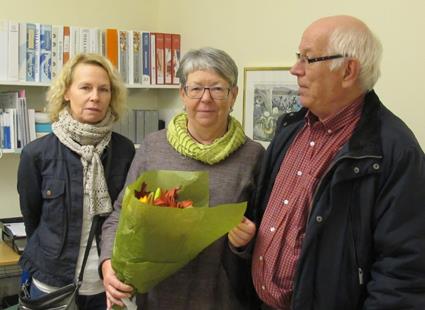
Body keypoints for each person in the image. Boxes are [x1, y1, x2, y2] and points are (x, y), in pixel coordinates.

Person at [231, 15, 425, 309]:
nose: (295, 69)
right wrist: (245, 243)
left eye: (308, 59)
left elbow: (403, 271)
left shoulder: (394, 151)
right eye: (298, 57)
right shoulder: (289, 129)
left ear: (348, 70)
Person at [100, 47, 265, 310]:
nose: (206, 98)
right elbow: (120, 215)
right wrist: (107, 264)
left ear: (233, 95)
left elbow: (267, 237)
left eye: (217, 89)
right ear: (183, 94)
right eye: (196, 88)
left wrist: (246, 242)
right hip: (156, 299)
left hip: (221, 299)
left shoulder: (253, 156)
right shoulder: (154, 147)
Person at [17, 53, 135, 309]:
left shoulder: (125, 151)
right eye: (85, 87)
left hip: (108, 284)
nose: (95, 96)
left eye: (104, 89)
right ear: (67, 93)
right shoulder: (36, 154)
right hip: (52, 284)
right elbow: (32, 219)